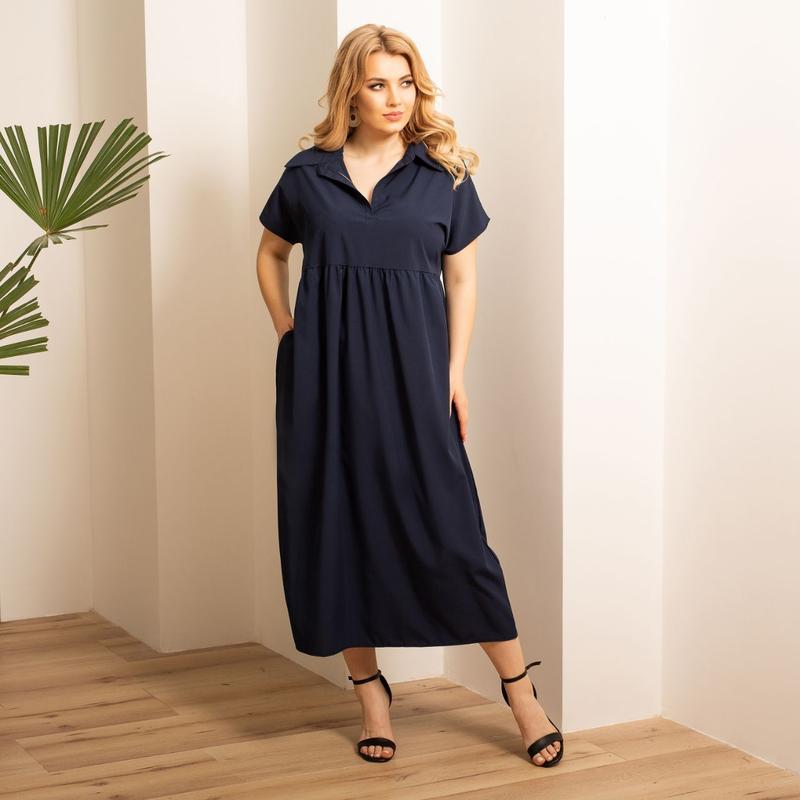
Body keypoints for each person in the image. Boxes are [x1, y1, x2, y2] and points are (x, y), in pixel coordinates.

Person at [256, 23, 563, 768]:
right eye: (377, 84)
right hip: (324, 383)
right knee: (336, 531)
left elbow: (462, 277)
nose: (394, 98)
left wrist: (452, 374)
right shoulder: (307, 175)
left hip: (414, 376)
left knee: (453, 534)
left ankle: (520, 691)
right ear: (350, 93)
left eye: (405, 83)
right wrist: (289, 333)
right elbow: (270, 253)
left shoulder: (443, 175)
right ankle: (370, 696)